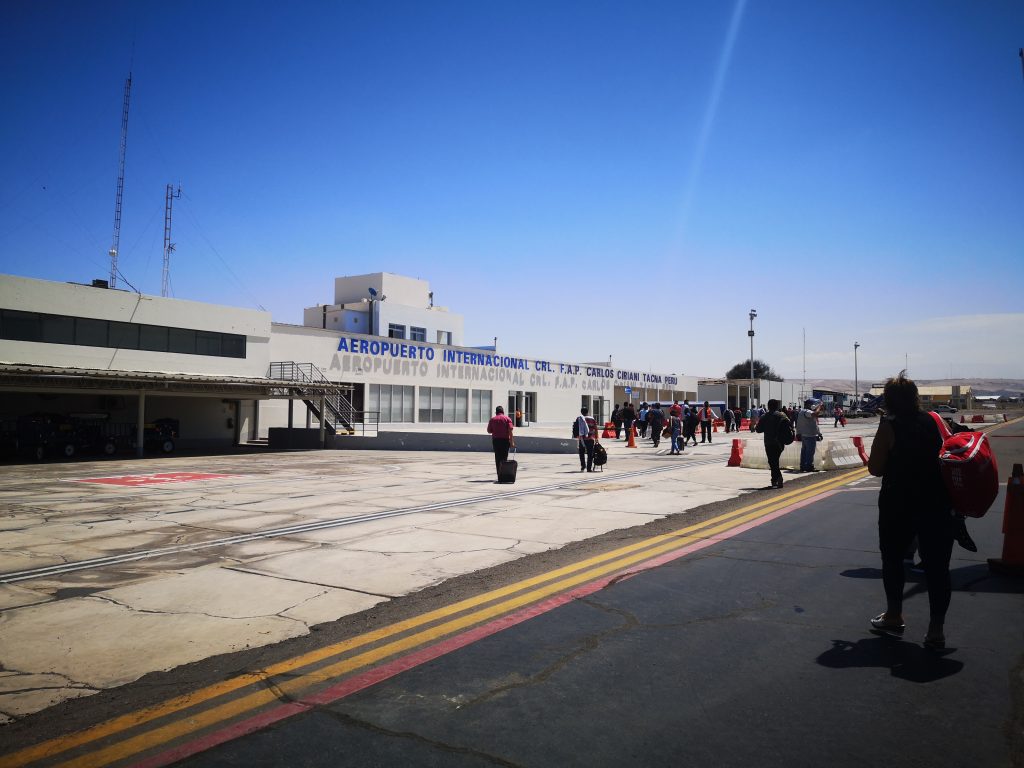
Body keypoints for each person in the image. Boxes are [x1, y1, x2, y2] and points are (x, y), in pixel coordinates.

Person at [867, 372, 955, 651]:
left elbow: (876, 468)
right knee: (938, 568)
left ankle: (894, 615)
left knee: (893, 560)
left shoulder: (889, 425)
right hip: (937, 503)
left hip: (899, 503)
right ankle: (936, 630)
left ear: (889, 400)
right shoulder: (936, 421)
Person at [755, 399, 791, 489]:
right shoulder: (782, 415)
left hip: (769, 442)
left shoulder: (765, 416)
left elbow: (758, 430)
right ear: (777, 406)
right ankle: (774, 480)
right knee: (774, 461)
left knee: (772, 461)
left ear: (768, 406)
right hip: (780, 443)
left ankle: (778, 477)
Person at [486, 405, 515, 480]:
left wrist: (495, 429)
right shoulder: (507, 419)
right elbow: (510, 431)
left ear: (496, 412)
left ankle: (499, 475)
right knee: (504, 458)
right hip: (505, 441)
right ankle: (504, 475)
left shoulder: (492, 419)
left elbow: (489, 431)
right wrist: (512, 442)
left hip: (496, 441)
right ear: (503, 412)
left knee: (497, 458)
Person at [796, 398, 823, 471]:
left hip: (805, 435)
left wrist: (818, 433)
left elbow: (813, 424)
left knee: (804, 451)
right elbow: (816, 414)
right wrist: (819, 407)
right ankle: (809, 466)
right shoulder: (807, 412)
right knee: (810, 452)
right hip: (809, 436)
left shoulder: (802, 411)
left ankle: (803, 466)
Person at [575, 406, 598, 472]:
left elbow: (576, 428)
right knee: (590, 454)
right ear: (587, 412)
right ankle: (589, 468)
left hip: (582, 439)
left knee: (581, 453)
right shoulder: (592, 419)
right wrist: (596, 438)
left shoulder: (579, 418)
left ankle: (583, 466)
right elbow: (595, 429)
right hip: (590, 439)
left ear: (581, 412)